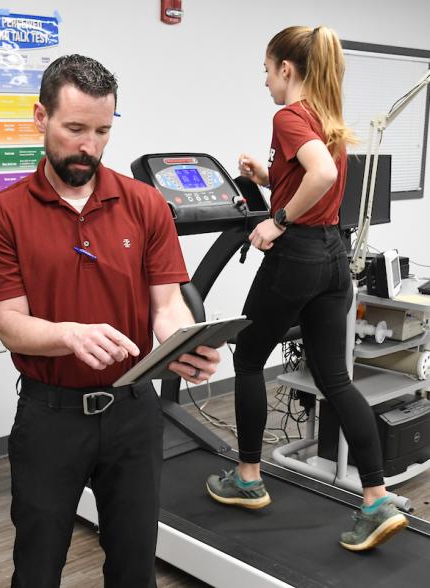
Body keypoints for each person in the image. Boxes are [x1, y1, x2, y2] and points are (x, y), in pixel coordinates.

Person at [0, 54, 221, 587]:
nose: (89, 145)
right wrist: (68, 335)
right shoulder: (1, 214)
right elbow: (10, 326)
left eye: (102, 131)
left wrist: (182, 344)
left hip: (133, 414)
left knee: (135, 566)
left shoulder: (146, 204)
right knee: (37, 566)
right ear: (41, 118)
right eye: (75, 129)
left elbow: (166, 304)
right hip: (49, 416)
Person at [206, 26, 408, 551]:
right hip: (333, 258)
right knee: (336, 378)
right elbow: (318, 184)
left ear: (287, 69)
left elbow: (316, 174)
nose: (265, 81)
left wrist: (276, 220)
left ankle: (247, 478)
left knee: (249, 358)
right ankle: (376, 498)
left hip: (296, 256)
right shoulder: (329, 117)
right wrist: (270, 176)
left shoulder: (290, 116)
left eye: (267, 69)